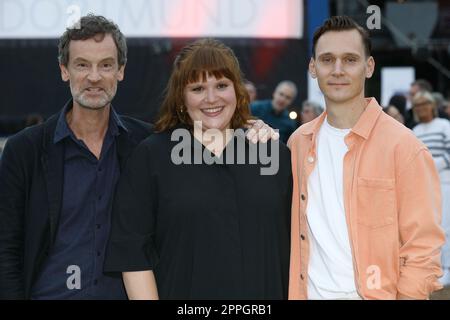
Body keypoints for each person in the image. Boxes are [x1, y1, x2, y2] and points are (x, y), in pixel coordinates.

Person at [0, 16, 278, 300]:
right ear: (64, 70)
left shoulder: (146, 144)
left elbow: (209, 125)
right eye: (82, 65)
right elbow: (6, 248)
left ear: (120, 71)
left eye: (106, 65)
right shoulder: (25, 151)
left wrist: (252, 126)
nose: (94, 77)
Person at [104, 39, 292, 300]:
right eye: (198, 88)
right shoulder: (152, 157)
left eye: (222, 85)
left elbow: (298, 245)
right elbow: (132, 253)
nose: (211, 98)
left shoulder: (273, 154)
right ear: (181, 97)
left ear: (237, 91)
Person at [288, 16, 445, 300]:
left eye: (350, 59)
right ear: (313, 67)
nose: (337, 70)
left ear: (368, 66)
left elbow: (422, 249)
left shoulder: (405, 147)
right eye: (327, 59)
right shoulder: (298, 143)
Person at [411, 91, 450, 286]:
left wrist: (432, 164)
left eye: (424, 103)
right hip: (423, 183)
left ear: (433, 105)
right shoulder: (415, 130)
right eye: (417, 105)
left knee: (446, 227)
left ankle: (447, 269)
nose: (421, 108)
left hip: (444, 181)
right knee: (430, 226)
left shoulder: (445, 126)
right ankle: (434, 269)